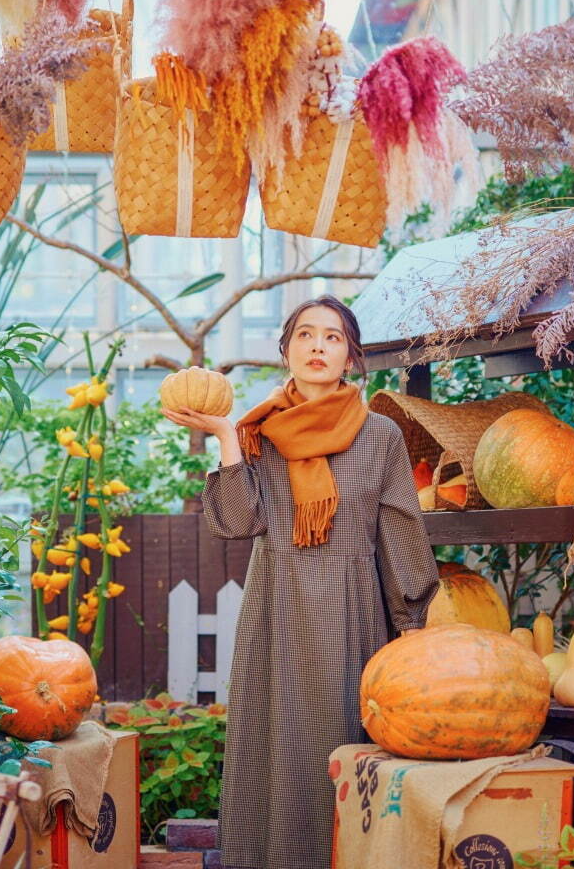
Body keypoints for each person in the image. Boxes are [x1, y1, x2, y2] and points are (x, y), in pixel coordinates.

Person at [162, 294, 440, 869]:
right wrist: (225, 437)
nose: (318, 346)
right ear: (286, 349)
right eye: (306, 335)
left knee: (345, 747)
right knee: (276, 747)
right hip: (278, 612)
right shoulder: (257, 432)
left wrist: (411, 631)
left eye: (333, 337)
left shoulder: (380, 435)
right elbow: (239, 524)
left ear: (351, 355)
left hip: (354, 611)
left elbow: (400, 532)